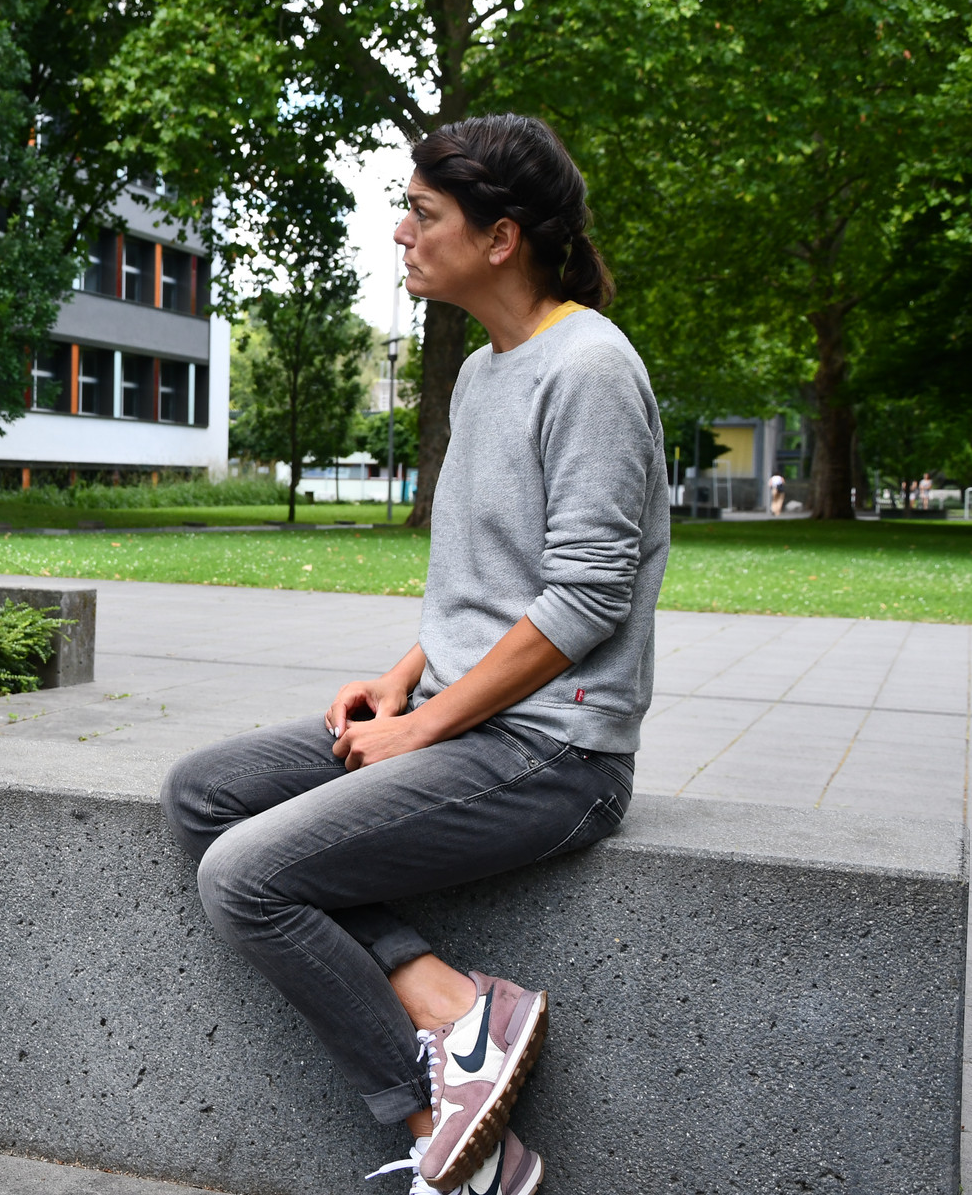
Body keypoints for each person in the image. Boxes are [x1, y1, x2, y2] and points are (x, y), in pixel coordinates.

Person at [162, 115, 668, 1195]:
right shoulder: (488, 372)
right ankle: (454, 1007)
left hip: (555, 753)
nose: (399, 231)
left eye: (423, 213)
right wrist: (401, 674)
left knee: (246, 877)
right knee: (203, 794)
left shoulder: (590, 369)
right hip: (464, 717)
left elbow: (585, 594)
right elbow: (495, 582)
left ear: (500, 238)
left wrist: (420, 726)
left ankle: (439, 1117)